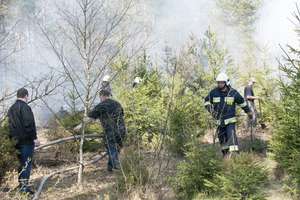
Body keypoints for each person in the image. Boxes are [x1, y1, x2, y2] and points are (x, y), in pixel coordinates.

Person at [204, 73, 253, 157]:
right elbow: (206, 102)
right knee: (222, 141)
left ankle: (235, 156)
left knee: (232, 137)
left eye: (221, 82)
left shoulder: (233, 93)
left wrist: (249, 113)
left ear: (226, 82)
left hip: (230, 121)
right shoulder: (213, 92)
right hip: (219, 121)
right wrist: (212, 111)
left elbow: (243, 103)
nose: (219, 84)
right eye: (218, 82)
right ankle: (226, 157)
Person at [8, 88, 39, 194]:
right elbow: (29, 124)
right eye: (27, 96)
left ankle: (21, 185)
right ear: (26, 96)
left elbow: (10, 126)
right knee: (26, 165)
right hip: (26, 142)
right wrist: (35, 138)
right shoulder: (25, 107)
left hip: (15, 141)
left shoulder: (11, 108)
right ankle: (24, 189)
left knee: (21, 164)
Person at [88, 89, 126, 172]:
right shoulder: (117, 104)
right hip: (122, 130)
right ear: (109, 95)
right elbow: (122, 115)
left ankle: (116, 167)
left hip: (111, 131)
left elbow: (90, 118)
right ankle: (110, 168)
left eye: (100, 97)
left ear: (102, 96)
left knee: (111, 149)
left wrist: (79, 126)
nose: (100, 99)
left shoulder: (101, 105)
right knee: (115, 149)